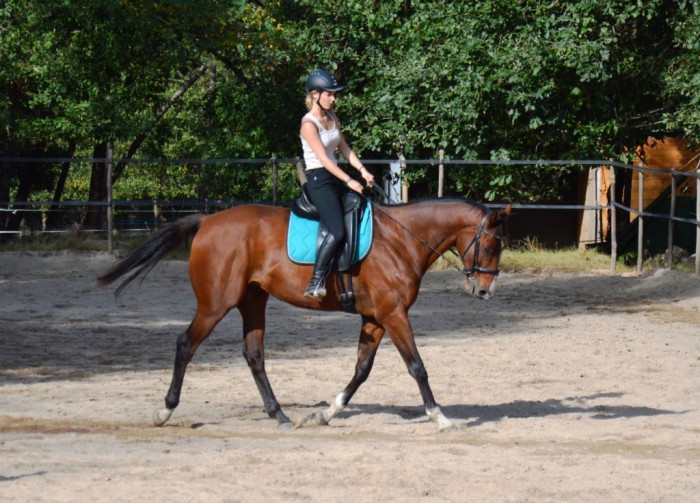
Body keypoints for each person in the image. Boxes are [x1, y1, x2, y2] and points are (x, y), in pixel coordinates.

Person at [300, 69, 374, 300]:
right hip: (318, 180)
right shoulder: (308, 124)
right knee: (337, 230)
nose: (334, 98)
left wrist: (363, 171)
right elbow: (323, 159)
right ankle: (316, 281)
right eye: (330, 94)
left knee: (360, 204)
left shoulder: (332, 118)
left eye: (335, 95)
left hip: (333, 176)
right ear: (315, 95)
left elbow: (344, 148)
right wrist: (349, 180)